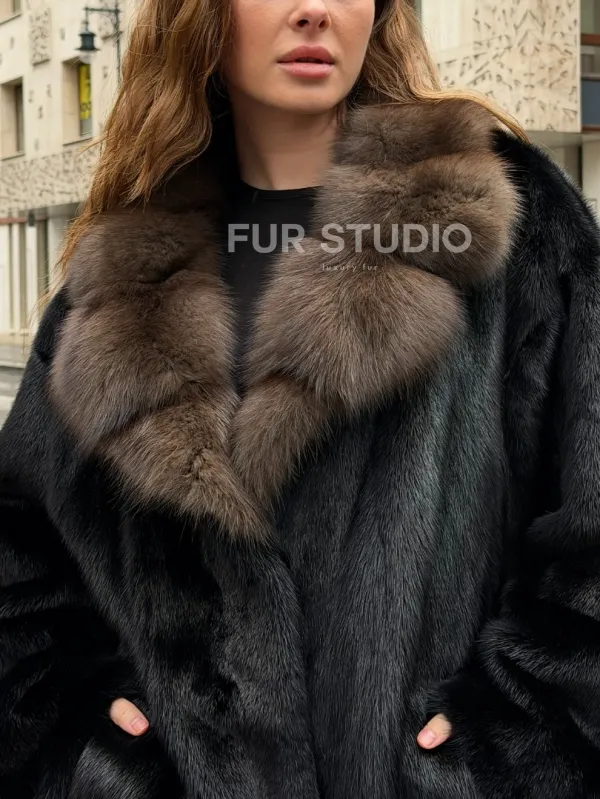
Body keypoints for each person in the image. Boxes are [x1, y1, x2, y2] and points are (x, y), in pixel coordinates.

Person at [1, 0, 600, 796]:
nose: (315, 9)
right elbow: (19, 551)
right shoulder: (119, 281)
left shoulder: (503, 222)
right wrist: (83, 734)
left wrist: (507, 744)